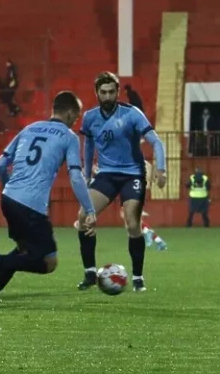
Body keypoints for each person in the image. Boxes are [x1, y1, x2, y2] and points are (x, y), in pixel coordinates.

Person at [0, 91, 97, 303]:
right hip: (31, 206)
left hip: (9, 199)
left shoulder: (29, 129)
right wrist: (90, 209)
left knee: (24, 250)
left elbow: (0, 165)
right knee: (49, 262)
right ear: (68, 112)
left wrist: (9, 188)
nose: (76, 121)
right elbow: (76, 177)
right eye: (76, 116)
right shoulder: (69, 137)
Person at [76, 72, 166, 293]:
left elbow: (157, 142)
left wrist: (161, 169)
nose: (107, 96)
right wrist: (87, 175)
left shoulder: (132, 114)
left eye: (111, 92)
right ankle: (89, 272)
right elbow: (88, 146)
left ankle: (137, 277)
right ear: (97, 93)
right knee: (82, 217)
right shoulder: (90, 117)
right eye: (103, 92)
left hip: (132, 174)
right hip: (106, 175)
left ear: (117, 92)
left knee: (132, 223)